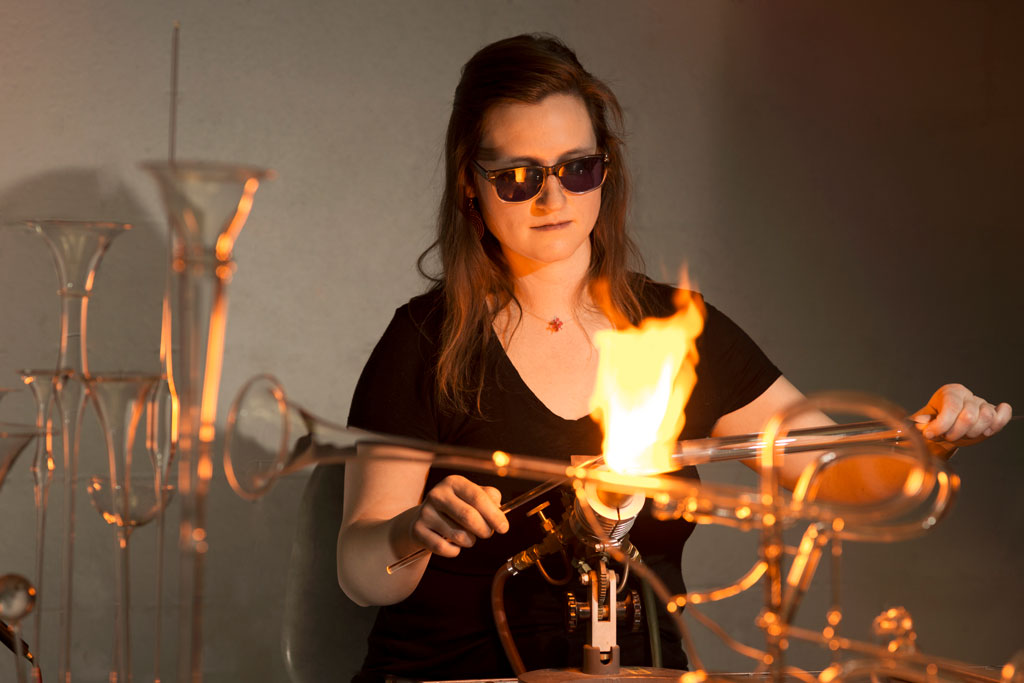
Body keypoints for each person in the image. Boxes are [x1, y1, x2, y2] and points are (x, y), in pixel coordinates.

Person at [336, 34, 1012, 680]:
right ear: (470, 185)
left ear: (605, 170)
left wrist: (928, 437)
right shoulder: (428, 342)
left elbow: (829, 468)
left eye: (578, 168)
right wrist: (410, 531)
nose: (553, 199)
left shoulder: (676, 329)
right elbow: (359, 572)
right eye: (517, 176)